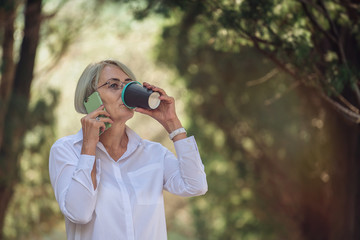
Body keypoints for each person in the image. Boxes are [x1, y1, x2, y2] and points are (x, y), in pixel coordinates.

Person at [49, 59, 208, 240]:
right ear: (90, 98)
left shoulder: (154, 153)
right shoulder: (66, 150)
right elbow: (79, 213)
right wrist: (88, 147)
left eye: (129, 85)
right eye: (114, 85)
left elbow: (196, 186)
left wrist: (172, 122)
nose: (125, 92)